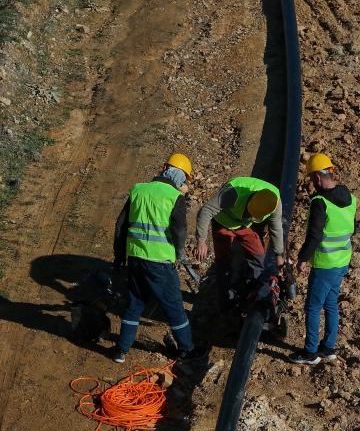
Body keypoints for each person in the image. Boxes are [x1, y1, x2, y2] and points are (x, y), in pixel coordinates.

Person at [111, 153, 196, 364]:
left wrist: (120, 257)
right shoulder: (174, 197)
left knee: (135, 303)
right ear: (182, 178)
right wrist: (180, 253)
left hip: (136, 259)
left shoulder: (139, 190)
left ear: (164, 168)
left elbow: (120, 226)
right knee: (174, 306)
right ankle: (187, 349)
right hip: (160, 262)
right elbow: (179, 231)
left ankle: (121, 350)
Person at [292, 152, 356, 365]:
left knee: (312, 306)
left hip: (325, 264)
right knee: (330, 304)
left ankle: (310, 353)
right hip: (342, 261)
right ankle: (328, 348)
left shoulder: (320, 202)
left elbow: (315, 235)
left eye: (311, 179)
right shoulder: (351, 199)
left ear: (318, 178)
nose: (312, 183)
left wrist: (302, 259)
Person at [193, 176, 285, 311]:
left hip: (245, 226)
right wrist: (201, 240)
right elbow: (205, 211)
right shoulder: (233, 193)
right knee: (224, 263)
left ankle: (254, 295)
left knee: (259, 257)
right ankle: (226, 303)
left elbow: (276, 227)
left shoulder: (274, 202)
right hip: (223, 223)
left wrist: (279, 254)